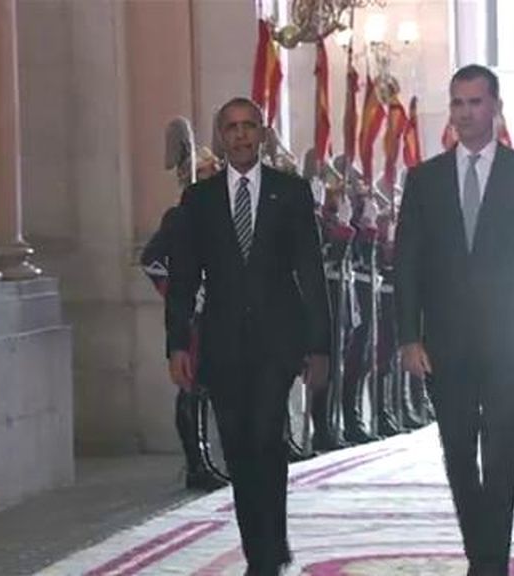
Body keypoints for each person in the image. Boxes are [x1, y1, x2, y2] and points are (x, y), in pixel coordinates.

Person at [394, 64, 514, 576]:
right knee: (459, 453)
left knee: (501, 450)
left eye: (476, 103)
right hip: (444, 343)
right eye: (458, 104)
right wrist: (407, 337)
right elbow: (408, 264)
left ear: (495, 108)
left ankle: (492, 563)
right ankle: (480, 551)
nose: (466, 114)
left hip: (509, 339)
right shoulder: (424, 179)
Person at [167, 97, 331, 575]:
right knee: (238, 448)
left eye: (249, 126)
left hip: (278, 343)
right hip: (222, 345)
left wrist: (319, 346)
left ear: (262, 132)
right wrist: (177, 343)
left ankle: (264, 557)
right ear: (221, 137)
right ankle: (262, 544)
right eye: (231, 128)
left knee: (266, 436)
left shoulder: (291, 192)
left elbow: (311, 272)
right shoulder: (199, 200)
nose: (240, 135)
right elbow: (183, 278)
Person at [142, 148, 228, 492]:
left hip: (213, 314)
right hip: (188, 314)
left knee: (207, 386)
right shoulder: (178, 217)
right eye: (207, 176)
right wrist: (180, 288)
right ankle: (195, 463)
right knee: (190, 388)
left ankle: (208, 459)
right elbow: (151, 260)